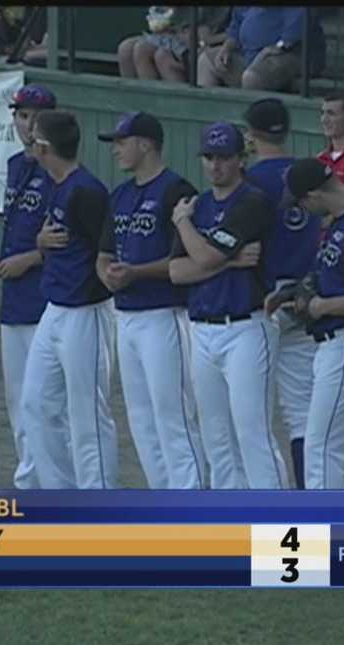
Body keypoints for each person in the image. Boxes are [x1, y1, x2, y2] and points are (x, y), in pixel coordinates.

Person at [169, 121, 288, 489]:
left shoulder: (251, 201)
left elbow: (202, 259)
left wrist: (182, 223)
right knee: (216, 437)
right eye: (209, 157)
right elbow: (176, 271)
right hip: (203, 327)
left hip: (246, 326)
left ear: (241, 158)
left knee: (252, 432)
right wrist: (231, 261)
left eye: (223, 157)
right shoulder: (201, 204)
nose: (215, 165)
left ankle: (278, 527)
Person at [96, 111, 205, 489]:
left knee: (173, 414)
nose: (116, 151)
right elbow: (105, 252)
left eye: (122, 142)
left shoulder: (178, 190)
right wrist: (107, 274)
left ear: (145, 144)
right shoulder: (120, 195)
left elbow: (183, 259)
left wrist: (136, 273)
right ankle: (163, 501)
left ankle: (191, 503)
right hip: (125, 314)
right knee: (141, 418)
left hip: (166, 314)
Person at [22, 110, 121, 489]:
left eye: (34, 139)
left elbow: (106, 249)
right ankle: (59, 495)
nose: (30, 144)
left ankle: (98, 502)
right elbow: (59, 243)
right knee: (36, 403)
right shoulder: (59, 185)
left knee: (88, 413)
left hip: (86, 310)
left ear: (44, 147)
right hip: (56, 307)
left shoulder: (86, 190)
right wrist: (40, 244)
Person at [267, 157, 344, 491]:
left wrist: (319, 306)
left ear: (313, 196)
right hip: (340, 344)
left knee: (321, 448)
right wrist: (297, 291)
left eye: (301, 201)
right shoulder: (341, 222)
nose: (301, 207)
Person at [241, 97, 318, 489]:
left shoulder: (252, 182)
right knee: (301, 414)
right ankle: (306, 499)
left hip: (263, 303)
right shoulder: (310, 174)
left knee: (250, 417)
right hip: (308, 300)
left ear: (250, 136)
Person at [0, 84, 57, 490]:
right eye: (19, 115)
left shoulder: (57, 171)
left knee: (46, 398)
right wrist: (2, 258)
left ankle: (52, 482)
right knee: (17, 396)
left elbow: (63, 239)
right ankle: (28, 478)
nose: (24, 124)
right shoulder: (16, 165)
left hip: (44, 294)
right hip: (13, 293)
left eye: (32, 115)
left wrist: (27, 259)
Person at [196, 7, 325, 92]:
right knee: (206, 60)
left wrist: (267, 52)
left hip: (289, 55)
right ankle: (209, 127)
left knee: (252, 77)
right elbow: (236, 26)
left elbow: (290, 39)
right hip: (250, 55)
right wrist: (226, 48)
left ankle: (251, 129)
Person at [117, 6, 231, 83]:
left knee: (144, 50)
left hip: (203, 42)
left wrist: (205, 38)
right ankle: (134, 111)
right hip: (175, 32)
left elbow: (228, 30)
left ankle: (153, 110)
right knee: (125, 49)